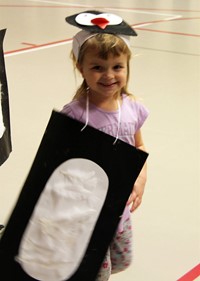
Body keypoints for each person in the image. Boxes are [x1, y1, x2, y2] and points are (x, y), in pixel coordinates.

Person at [62, 11, 149, 281]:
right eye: (97, 67)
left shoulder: (133, 109)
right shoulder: (74, 114)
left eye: (117, 67)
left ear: (127, 67)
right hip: (87, 215)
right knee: (98, 272)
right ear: (81, 68)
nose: (108, 75)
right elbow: (59, 162)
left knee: (122, 259)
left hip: (119, 208)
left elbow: (140, 145)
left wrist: (141, 178)